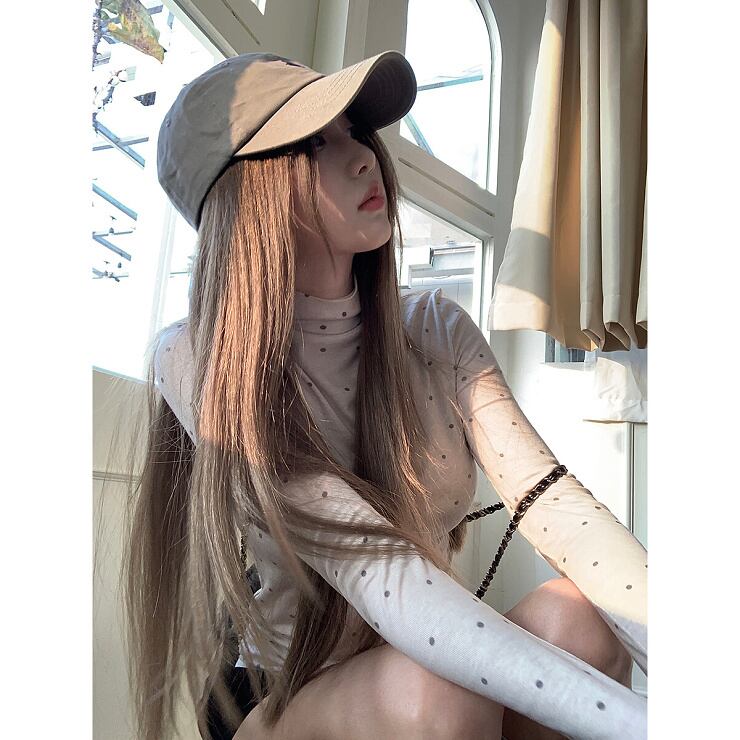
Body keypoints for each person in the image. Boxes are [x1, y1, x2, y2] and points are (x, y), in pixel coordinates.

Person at [123, 51, 647, 740]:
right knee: (439, 696)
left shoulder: (434, 330)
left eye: (354, 132)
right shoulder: (199, 355)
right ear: (245, 197)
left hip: (416, 669)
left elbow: (553, 504)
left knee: (580, 622)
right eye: (315, 143)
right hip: (282, 690)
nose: (365, 157)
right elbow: (373, 565)